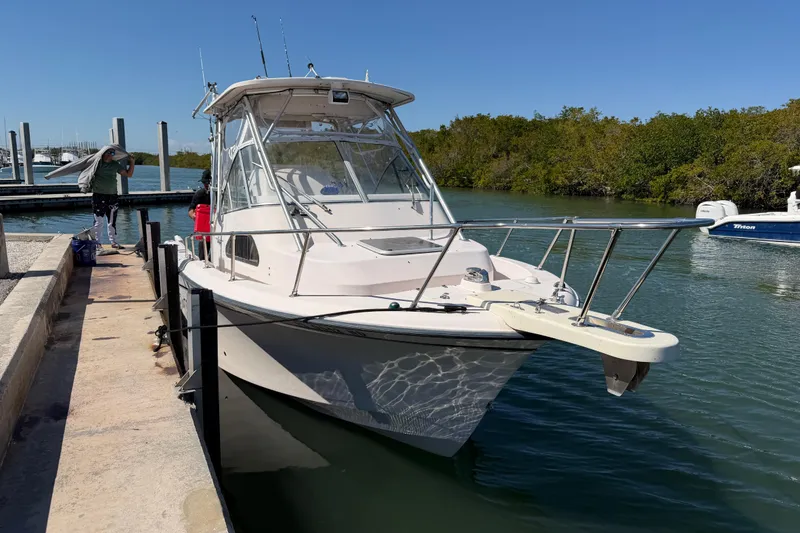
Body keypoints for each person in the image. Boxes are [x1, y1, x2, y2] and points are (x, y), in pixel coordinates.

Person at [91, 149, 134, 249]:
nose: (110, 155)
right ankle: (97, 243)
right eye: (108, 153)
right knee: (98, 221)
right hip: (98, 195)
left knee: (112, 221)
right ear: (103, 154)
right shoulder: (96, 163)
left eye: (112, 153)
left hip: (113, 196)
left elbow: (129, 174)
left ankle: (114, 242)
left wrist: (132, 162)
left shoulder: (115, 165)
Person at [189, 169, 212, 259]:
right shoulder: (200, 194)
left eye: (207, 182)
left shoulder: (221, 193)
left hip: (219, 228)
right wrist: (194, 216)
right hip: (204, 229)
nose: (205, 185)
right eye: (204, 183)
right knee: (203, 254)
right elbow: (191, 210)